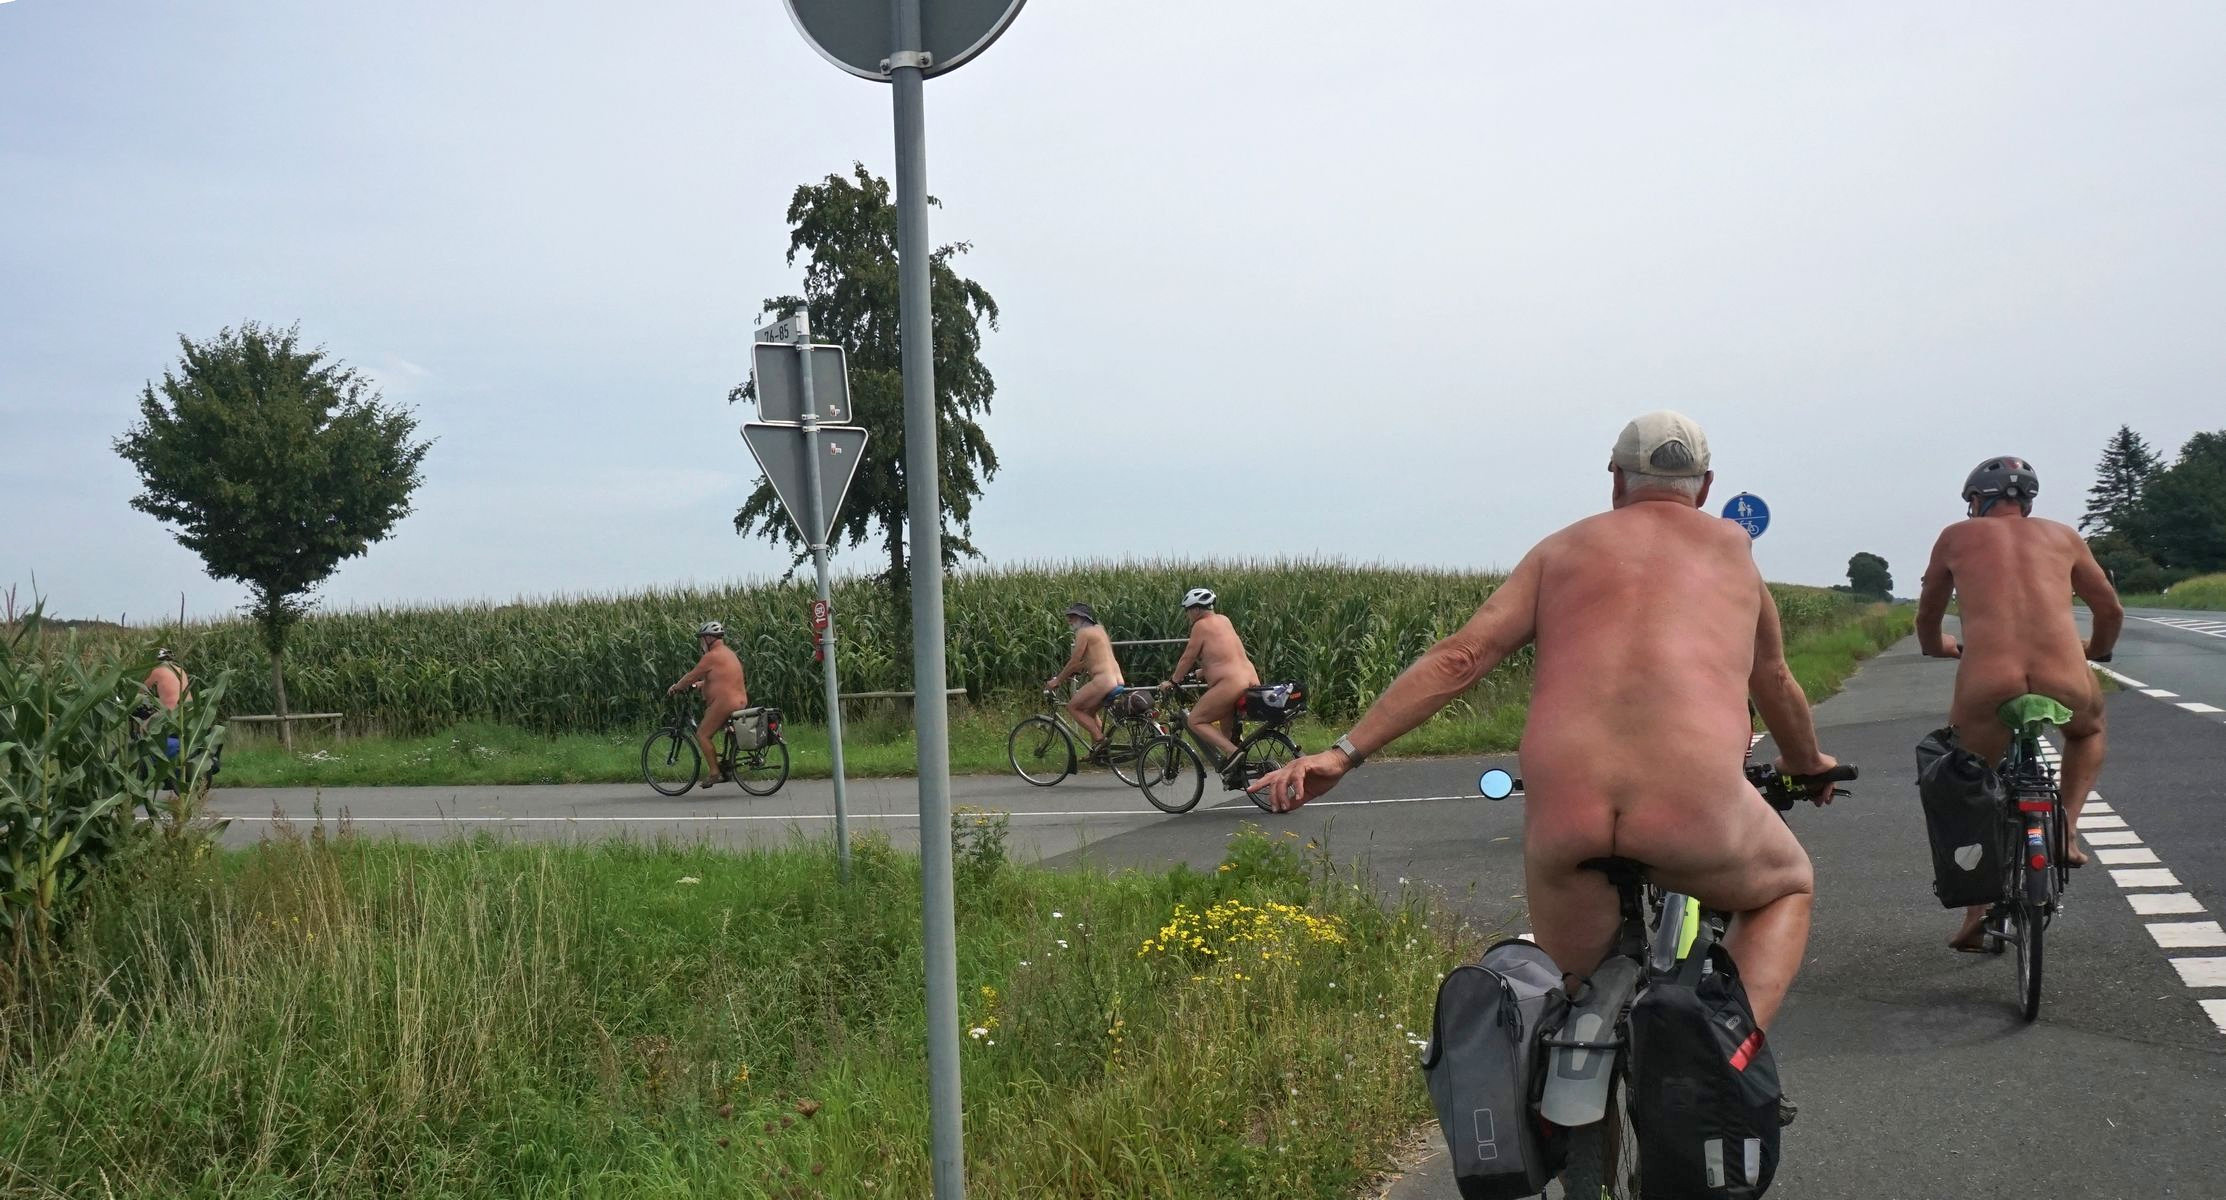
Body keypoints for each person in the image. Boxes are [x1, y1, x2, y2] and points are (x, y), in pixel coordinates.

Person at [1252, 412, 1838, 1031]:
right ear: (1707, 486)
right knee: (1787, 885)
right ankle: (1726, 1049)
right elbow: (1773, 681)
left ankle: (1565, 1079)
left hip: (1567, 825)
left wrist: (1341, 754)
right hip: (1693, 814)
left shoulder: (1560, 551)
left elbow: (1461, 658)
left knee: (1575, 1013)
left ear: (1616, 478)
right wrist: (1806, 763)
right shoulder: (1733, 553)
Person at [1915, 456, 2122, 951]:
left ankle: (1977, 913)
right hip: (2063, 672)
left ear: (1976, 500)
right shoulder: (2063, 536)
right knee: (2088, 730)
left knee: (1970, 780)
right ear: (2026, 501)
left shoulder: (1955, 538)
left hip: (1988, 679)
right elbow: (2109, 609)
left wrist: (1939, 646)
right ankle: (2066, 830)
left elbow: (1928, 617)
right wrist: (2095, 650)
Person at [1160, 588, 1261, 780]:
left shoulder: (1201, 626)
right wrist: (1202, 672)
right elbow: (1224, 655)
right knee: (1226, 727)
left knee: (1195, 720)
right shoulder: (1224, 620)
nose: (1187, 615)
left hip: (1230, 683)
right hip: (1249, 678)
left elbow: (1187, 657)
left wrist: (1173, 681)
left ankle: (1233, 752)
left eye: (1187, 610)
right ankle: (1238, 771)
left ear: (1196, 610)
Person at [667, 621, 750, 790]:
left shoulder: (711, 656)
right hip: (740, 700)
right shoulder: (729, 654)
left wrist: (676, 687)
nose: (701, 643)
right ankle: (727, 765)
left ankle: (714, 772)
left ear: (709, 638)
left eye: (702, 639)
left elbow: (691, 676)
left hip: (725, 702)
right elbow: (721, 679)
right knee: (726, 731)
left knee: (703, 734)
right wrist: (700, 685)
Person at [1044, 602, 1124, 759]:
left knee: (1072, 707)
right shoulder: (1099, 629)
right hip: (1116, 678)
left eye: (1072, 616)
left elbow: (1074, 660)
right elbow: (1093, 658)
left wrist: (1057, 680)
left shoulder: (1083, 633)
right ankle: (1098, 752)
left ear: (1082, 617)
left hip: (1103, 680)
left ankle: (1100, 739)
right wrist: (1078, 670)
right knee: (1090, 712)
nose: (1069, 620)